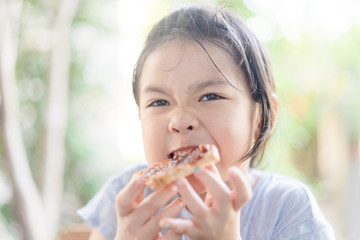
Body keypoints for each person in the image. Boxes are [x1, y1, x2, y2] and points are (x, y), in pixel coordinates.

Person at [78, 5, 335, 240]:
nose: (179, 120)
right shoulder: (125, 198)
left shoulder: (288, 208)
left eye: (210, 96)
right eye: (159, 102)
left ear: (261, 118)